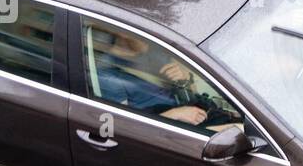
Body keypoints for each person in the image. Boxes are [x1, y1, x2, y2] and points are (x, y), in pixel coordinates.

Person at [92, 28, 239, 128]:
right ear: (120, 32)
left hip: (200, 109)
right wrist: (175, 114)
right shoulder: (108, 76)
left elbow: (191, 91)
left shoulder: (156, 45)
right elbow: (124, 128)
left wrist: (186, 79)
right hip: (169, 126)